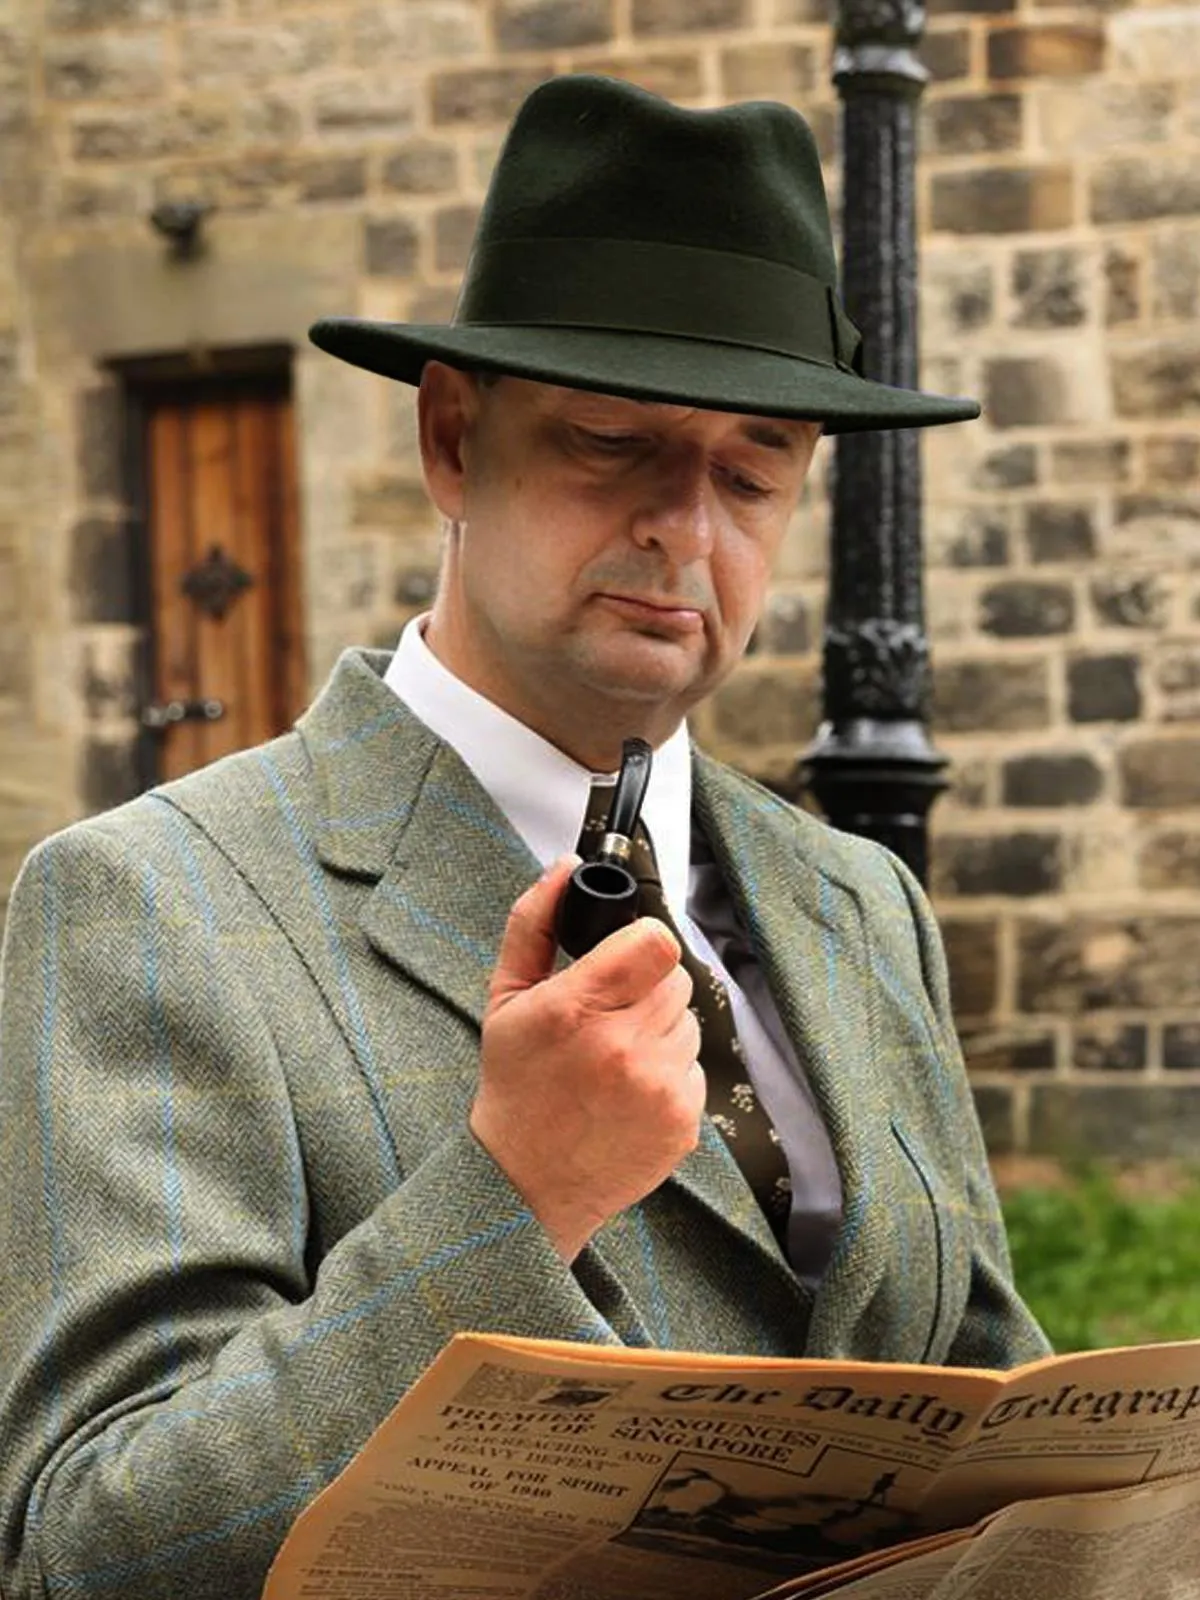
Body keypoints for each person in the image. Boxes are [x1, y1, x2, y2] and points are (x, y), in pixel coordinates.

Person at [0, 73, 1048, 1600]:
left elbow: (987, 1406)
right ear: (450, 440)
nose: (688, 527)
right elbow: (93, 1547)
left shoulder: (861, 901)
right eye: (612, 440)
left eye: (753, 471)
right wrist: (514, 1192)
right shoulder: (144, 902)